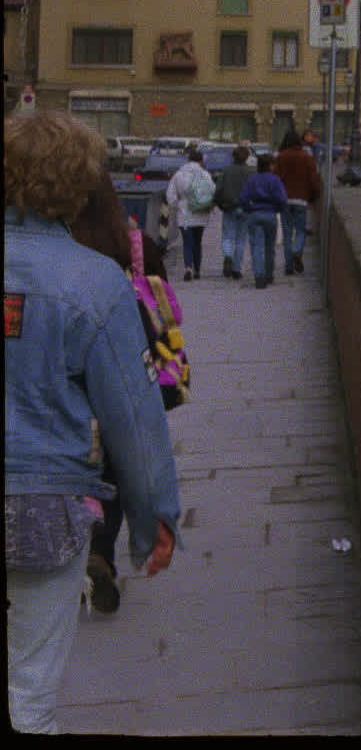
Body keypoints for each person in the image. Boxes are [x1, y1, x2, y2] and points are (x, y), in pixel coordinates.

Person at [6, 111, 180, 732]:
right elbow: (133, 418)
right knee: (29, 693)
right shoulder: (95, 282)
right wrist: (153, 517)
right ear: (78, 185)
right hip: (42, 506)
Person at [63, 179, 176, 615]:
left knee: (76, 466)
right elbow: (163, 308)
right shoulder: (136, 245)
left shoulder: (62, 248)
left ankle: (70, 556)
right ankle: (101, 555)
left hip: (70, 379)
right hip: (125, 373)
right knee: (114, 469)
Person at [272, 132, 322, 278]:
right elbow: (314, 181)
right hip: (301, 199)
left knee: (287, 234)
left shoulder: (280, 157)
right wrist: (313, 198)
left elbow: (275, 179)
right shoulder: (307, 158)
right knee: (300, 230)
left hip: (284, 200)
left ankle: (288, 266)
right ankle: (297, 251)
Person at [239, 154, 289, 290]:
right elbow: (282, 199)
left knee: (256, 247)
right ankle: (268, 274)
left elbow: (243, 198)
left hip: (254, 214)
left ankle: (259, 275)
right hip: (270, 214)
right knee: (269, 247)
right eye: (273, 165)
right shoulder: (275, 180)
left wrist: (249, 209)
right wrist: (277, 209)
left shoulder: (251, 179)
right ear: (269, 166)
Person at [164, 146, 212, 282]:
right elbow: (212, 191)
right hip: (200, 213)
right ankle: (197, 270)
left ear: (188, 160)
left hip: (184, 215)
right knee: (198, 242)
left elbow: (170, 196)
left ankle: (188, 268)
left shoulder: (179, 175)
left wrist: (177, 206)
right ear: (201, 161)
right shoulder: (205, 175)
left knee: (187, 242)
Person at [212, 143, 254, 281]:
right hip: (246, 207)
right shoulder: (251, 172)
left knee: (228, 236)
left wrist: (218, 203)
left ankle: (228, 256)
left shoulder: (226, 171)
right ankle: (236, 269)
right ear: (247, 157)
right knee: (241, 239)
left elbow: (218, 190)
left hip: (229, 207)